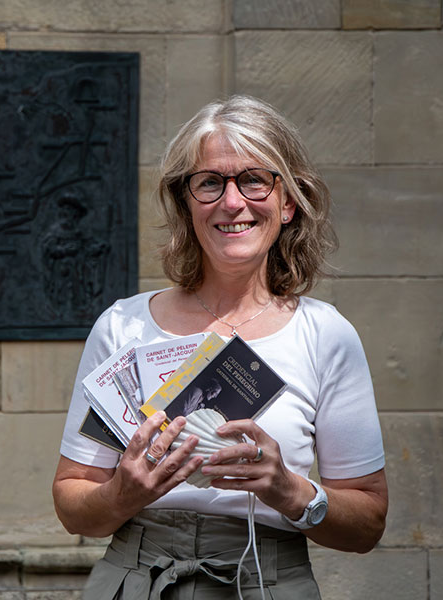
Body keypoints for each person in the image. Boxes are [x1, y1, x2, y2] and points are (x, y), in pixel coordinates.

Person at [53, 95, 388, 599]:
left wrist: (287, 488)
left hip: (265, 581)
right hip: (137, 579)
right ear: (187, 204)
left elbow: (367, 524)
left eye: (255, 179)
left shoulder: (326, 335)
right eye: (210, 183)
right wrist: (122, 493)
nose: (233, 202)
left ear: (288, 201)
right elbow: (72, 503)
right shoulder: (123, 326)